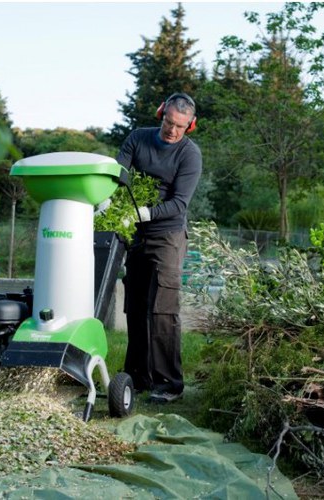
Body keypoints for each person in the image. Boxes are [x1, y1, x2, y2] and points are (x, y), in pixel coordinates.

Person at [116, 92, 203, 403]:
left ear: (189, 126)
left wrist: (148, 213)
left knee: (163, 310)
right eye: (169, 123)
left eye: (180, 127)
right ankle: (137, 376)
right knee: (135, 306)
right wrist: (107, 202)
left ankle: (168, 385)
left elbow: (179, 203)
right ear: (161, 115)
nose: (172, 131)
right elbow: (118, 176)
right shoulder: (138, 139)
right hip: (135, 234)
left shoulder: (189, 155)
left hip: (168, 235)